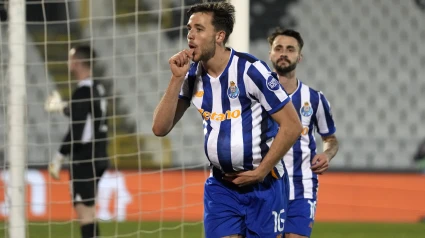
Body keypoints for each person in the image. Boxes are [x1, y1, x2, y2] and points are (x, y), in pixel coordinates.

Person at [152, 2, 302, 238]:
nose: (190, 35)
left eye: (199, 29)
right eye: (189, 28)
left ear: (219, 36)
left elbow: (293, 126)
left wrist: (262, 171)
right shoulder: (191, 75)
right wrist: (175, 79)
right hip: (221, 187)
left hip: (265, 185)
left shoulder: (251, 70)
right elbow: (160, 128)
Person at [267, 28, 339, 238]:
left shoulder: (314, 99)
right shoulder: (256, 95)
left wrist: (327, 154)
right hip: (266, 185)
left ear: (299, 56)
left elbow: (330, 139)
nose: (283, 53)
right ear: (270, 54)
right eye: (278, 48)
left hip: (302, 186)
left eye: (290, 49)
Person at [48, 45, 109, 238]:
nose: (68, 62)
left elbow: (78, 130)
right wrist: (61, 108)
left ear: (76, 62)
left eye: (70, 58)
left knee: (84, 212)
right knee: (90, 211)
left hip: (84, 158)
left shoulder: (82, 92)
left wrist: (59, 156)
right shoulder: (98, 88)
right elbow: (84, 113)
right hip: (100, 155)